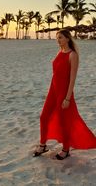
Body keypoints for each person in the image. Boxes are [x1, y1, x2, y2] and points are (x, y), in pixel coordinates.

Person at [33, 29, 96, 160]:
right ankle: (43, 144)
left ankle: (66, 149)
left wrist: (67, 98)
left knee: (64, 121)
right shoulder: (60, 52)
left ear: (68, 38)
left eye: (60, 37)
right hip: (53, 90)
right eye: (57, 38)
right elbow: (56, 74)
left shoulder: (73, 55)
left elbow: (72, 78)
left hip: (64, 92)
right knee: (44, 116)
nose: (58, 40)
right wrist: (51, 91)